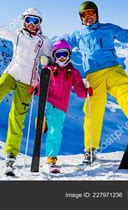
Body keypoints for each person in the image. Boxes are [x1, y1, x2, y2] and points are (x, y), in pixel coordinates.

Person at [61, 0, 128, 164]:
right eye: (84, 15)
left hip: (113, 68)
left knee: (124, 87)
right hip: (93, 76)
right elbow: (62, 44)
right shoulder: (77, 35)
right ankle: (90, 150)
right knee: (93, 110)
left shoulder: (108, 28)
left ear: (97, 14)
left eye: (91, 13)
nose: (88, 17)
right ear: (80, 18)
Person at [0, 0, 51, 175]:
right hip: (12, 73)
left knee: (17, 118)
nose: (32, 24)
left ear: (40, 24)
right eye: (29, 20)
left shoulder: (43, 41)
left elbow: (51, 58)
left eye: (36, 21)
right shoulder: (17, 34)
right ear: (24, 21)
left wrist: (47, 61)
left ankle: (11, 157)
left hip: (28, 82)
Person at [35, 40, 91, 173]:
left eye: (64, 54)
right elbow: (41, 82)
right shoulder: (48, 69)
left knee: (56, 132)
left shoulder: (73, 72)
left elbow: (78, 88)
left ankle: (51, 159)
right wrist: (36, 89)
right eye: (58, 55)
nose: (62, 58)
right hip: (47, 102)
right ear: (54, 55)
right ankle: (42, 122)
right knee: (44, 126)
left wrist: (86, 92)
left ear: (69, 55)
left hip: (60, 106)